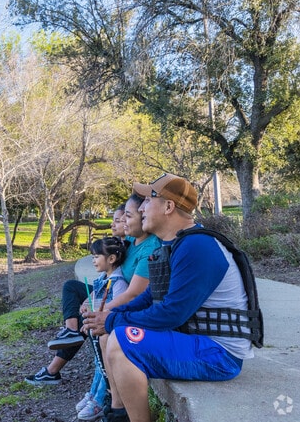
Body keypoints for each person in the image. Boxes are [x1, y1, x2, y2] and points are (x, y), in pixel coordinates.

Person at [83, 173, 257, 422]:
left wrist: (111, 322)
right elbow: (149, 297)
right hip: (197, 342)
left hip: (220, 355)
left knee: (122, 339)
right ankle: (118, 413)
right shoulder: (176, 245)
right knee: (115, 331)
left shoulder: (197, 247)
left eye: (147, 200)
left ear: (168, 206)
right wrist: (111, 316)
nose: (141, 208)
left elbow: (172, 313)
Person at [25, 199, 160, 386]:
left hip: (123, 297)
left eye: (127, 217)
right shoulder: (131, 238)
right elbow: (115, 239)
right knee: (72, 288)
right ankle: (70, 331)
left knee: (90, 316)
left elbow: (134, 294)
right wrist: (117, 226)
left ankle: (54, 371)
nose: (121, 223)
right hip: (110, 289)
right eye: (121, 218)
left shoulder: (149, 247)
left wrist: (99, 310)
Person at [76, 237, 128, 421]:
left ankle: (100, 398)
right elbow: (91, 296)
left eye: (97, 256)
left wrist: (99, 313)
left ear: (112, 259)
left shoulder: (118, 282)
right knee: (98, 364)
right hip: (97, 326)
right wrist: (85, 304)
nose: (93, 260)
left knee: (103, 366)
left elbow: (119, 306)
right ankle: (93, 394)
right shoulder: (102, 279)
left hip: (107, 327)